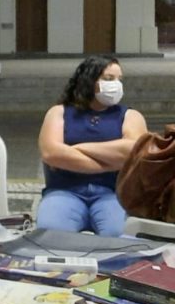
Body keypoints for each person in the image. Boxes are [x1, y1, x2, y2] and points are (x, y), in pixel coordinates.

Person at [37, 55, 147, 236]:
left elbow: (134, 152)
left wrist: (76, 149)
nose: (116, 85)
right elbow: (52, 154)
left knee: (121, 236)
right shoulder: (59, 113)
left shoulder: (131, 116)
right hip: (64, 192)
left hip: (113, 195)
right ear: (89, 81)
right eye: (108, 79)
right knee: (51, 236)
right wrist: (112, 162)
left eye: (119, 80)